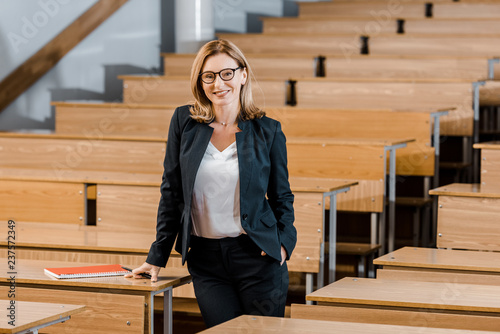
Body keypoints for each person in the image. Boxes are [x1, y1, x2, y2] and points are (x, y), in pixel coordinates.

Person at [125, 39, 296, 328]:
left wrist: (282, 245)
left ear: (243, 75)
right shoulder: (184, 121)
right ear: (200, 81)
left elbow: (282, 196)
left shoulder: (268, 130)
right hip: (206, 261)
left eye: (227, 73)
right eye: (209, 76)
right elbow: (172, 191)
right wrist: (157, 256)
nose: (219, 83)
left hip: (258, 257)